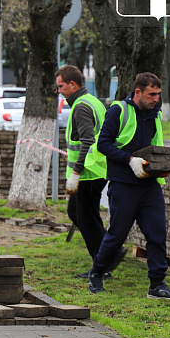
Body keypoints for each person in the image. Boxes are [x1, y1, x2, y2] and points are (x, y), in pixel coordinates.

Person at [89, 73, 170, 299]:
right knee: (118, 234)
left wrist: (163, 163)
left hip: (149, 185)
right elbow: (102, 144)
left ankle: (157, 284)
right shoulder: (118, 111)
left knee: (157, 233)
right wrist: (129, 160)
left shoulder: (155, 114)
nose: (156, 99)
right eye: (152, 94)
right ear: (138, 92)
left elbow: (155, 145)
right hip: (124, 184)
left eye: (158, 95)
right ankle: (97, 272)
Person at [55, 65, 113, 279]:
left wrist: (76, 172)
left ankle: (103, 264)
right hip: (95, 170)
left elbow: (88, 140)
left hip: (89, 173)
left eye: (61, 86)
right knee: (77, 213)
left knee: (87, 218)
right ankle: (107, 256)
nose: (59, 90)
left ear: (72, 84)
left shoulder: (80, 106)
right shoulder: (93, 100)